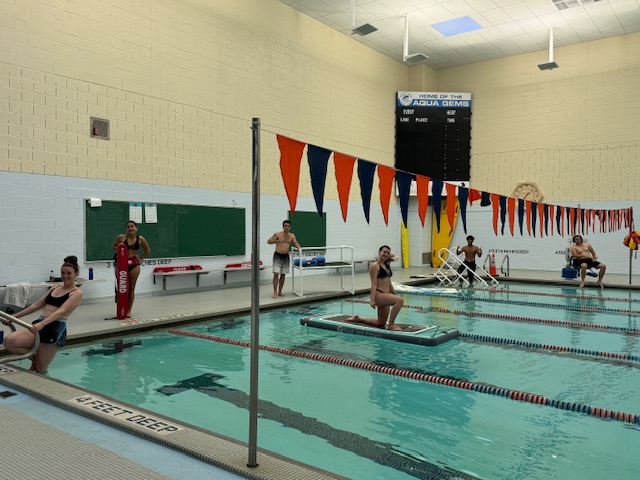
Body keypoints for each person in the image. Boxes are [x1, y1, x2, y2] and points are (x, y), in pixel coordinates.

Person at [1, 256, 83, 373]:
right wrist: (14, 317)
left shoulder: (76, 293)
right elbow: (36, 305)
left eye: (69, 273)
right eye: (63, 273)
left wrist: (42, 324)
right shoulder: (55, 287)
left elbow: (61, 311)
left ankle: (43, 382)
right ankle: (36, 361)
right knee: (10, 341)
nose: (65, 276)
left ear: (76, 274)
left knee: (40, 369)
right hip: (40, 323)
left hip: (54, 328)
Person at [346, 245, 404, 331]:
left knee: (380, 323)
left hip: (386, 295)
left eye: (388, 253)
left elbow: (389, 282)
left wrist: (394, 294)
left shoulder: (386, 265)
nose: (386, 254)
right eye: (384, 252)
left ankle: (358, 318)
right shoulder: (375, 266)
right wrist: (372, 299)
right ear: (379, 252)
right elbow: (373, 284)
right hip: (379, 295)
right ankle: (391, 324)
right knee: (400, 300)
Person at [112, 220, 151, 317]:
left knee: (131, 287)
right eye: (128, 227)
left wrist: (140, 259)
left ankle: (128, 310)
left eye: (132, 226)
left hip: (134, 264)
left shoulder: (140, 239)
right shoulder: (121, 237)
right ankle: (122, 308)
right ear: (126, 229)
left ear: (136, 228)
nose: (130, 228)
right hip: (121, 264)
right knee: (122, 287)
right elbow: (113, 246)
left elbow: (147, 250)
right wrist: (121, 250)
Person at [267, 220, 301, 298]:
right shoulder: (278, 234)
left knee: (283, 274)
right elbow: (269, 241)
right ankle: (275, 292)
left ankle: (280, 291)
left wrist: (299, 248)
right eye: (285, 226)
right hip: (277, 256)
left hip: (286, 256)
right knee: (276, 273)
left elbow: (296, 243)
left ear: (290, 227)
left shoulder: (292, 236)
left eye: (288, 226)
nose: (287, 227)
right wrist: (277, 240)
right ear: (283, 226)